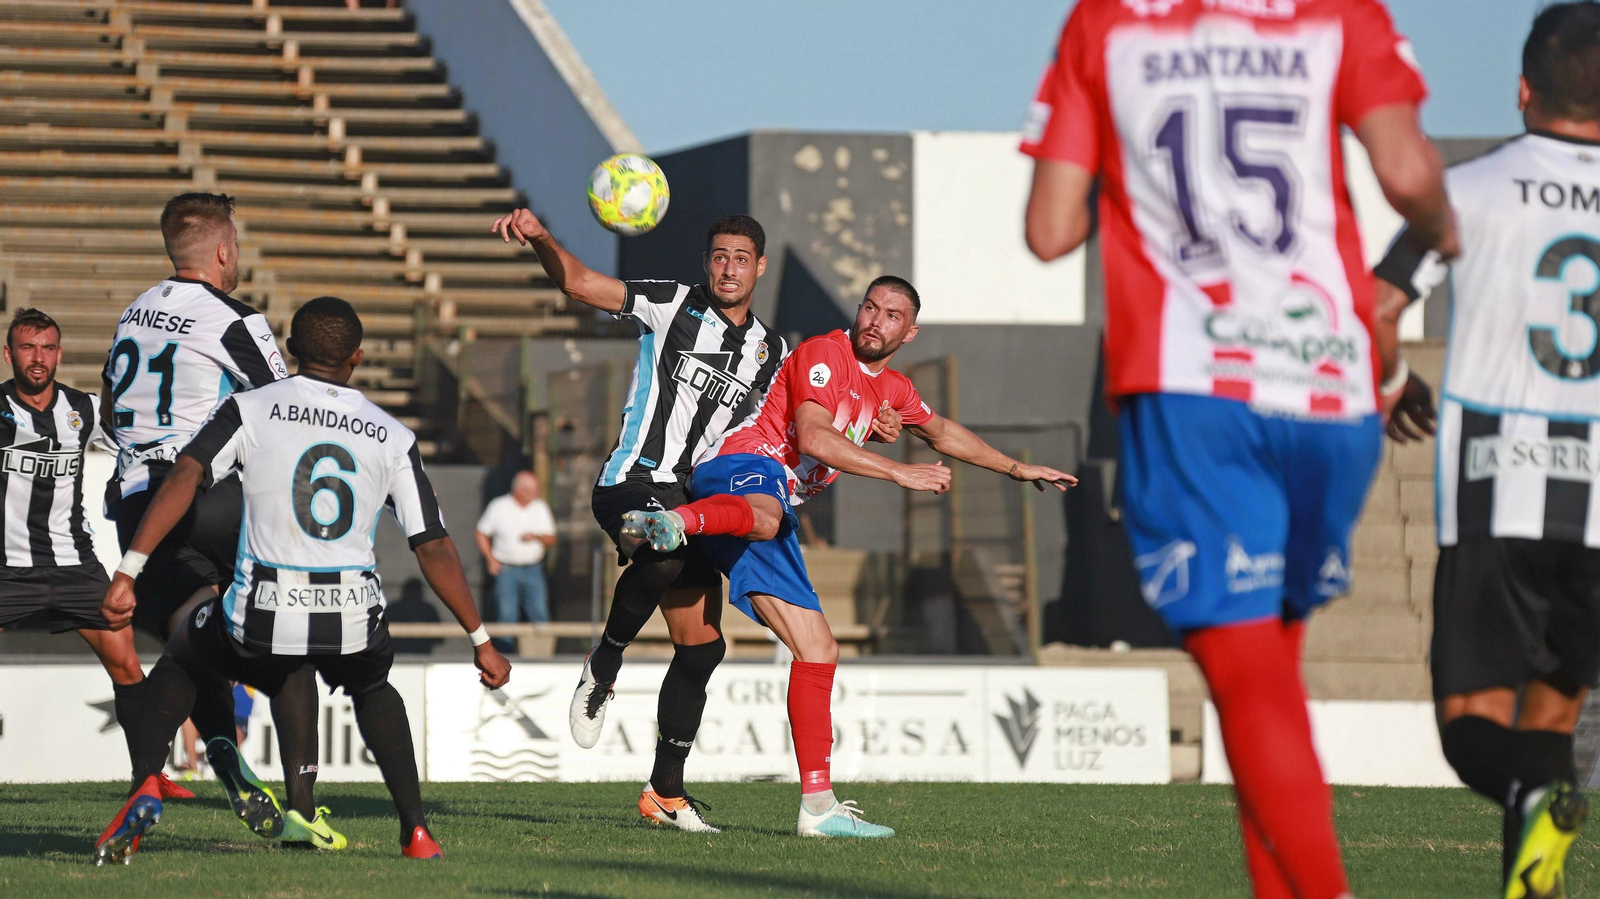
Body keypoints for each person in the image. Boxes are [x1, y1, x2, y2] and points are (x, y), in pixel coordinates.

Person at [1020, 1, 1456, 896]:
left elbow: (1049, 230)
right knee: (1265, 675)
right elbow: (1409, 171)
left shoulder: (1104, 24)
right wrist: (1448, 231)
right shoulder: (1340, 13)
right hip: (1328, 385)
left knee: (1248, 678)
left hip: (1195, 381)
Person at [624, 276, 1076, 837]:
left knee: (818, 648)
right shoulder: (824, 354)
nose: (874, 319)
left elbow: (941, 432)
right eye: (870, 307)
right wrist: (898, 471)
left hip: (760, 507)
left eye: (891, 315)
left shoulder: (892, 390)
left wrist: (1015, 468)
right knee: (765, 517)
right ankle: (675, 522)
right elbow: (812, 437)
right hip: (739, 469)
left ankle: (817, 809)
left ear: (908, 332)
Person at [93, 297, 511, 865]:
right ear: (357, 358)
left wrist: (130, 569)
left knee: (186, 649)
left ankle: (147, 778)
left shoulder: (250, 408)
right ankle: (414, 831)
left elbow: (188, 473)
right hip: (352, 612)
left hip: (265, 607)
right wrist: (480, 639)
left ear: (290, 350)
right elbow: (432, 544)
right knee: (373, 688)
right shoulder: (391, 435)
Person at [494, 208, 820, 831]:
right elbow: (581, 284)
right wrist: (542, 237)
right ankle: (605, 662)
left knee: (702, 648)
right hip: (633, 482)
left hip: (697, 505)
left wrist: (878, 424)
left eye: (741, 259)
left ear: (761, 267)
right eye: (719, 256)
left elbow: (807, 419)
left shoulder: (774, 352)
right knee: (663, 550)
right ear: (706, 263)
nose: (729, 268)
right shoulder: (671, 304)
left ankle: (665, 795)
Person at [1379, 5, 1600, 895]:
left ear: (1522, 88)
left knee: (1474, 729)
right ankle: (1533, 876)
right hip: (1597, 512)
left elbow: (1378, 305)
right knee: (1553, 721)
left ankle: (1527, 798)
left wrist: (1397, 385)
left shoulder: (1468, 188)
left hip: (1495, 488)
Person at [101, 191, 328, 847]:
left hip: (135, 502)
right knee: (291, 631)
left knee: (194, 639)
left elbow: (116, 408)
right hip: (198, 493)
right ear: (224, 250)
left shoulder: (133, 311)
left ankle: (187, 763)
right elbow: (287, 411)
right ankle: (304, 809)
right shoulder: (235, 319)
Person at [0, 309, 181, 794]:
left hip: (74, 566)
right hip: (7, 569)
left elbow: (138, 443)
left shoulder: (83, 409)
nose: (38, 359)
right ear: (9, 353)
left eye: (47, 348)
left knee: (126, 665)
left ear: (58, 353)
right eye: (27, 348)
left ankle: (147, 777)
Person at [475, 470, 557, 646]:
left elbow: (552, 538)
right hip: (506, 569)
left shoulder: (540, 507)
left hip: (533, 569)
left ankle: (541, 656)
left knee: (539, 613)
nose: (535, 493)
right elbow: (481, 532)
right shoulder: (499, 506)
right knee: (506, 615)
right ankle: (506, 655)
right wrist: (490, 559)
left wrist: (536, 537)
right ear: (518, 490)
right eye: (531, 489)